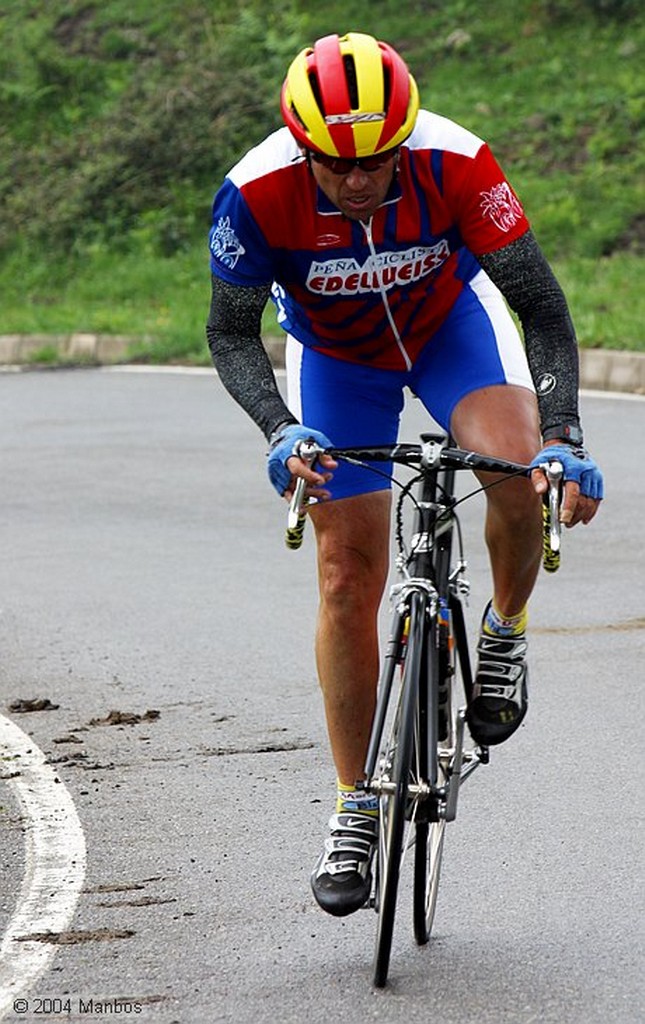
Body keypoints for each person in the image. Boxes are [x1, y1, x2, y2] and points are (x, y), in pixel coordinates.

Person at [206, 32, 603, 918]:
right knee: (347, 574)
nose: (358, 182)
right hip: (337, 363)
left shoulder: (457, 162)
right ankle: (354, 803)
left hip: (448, 331)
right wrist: (278, 430)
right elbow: (229, 332)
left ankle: (503, 629)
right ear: (301, 148)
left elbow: (539, 306)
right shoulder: (254, 194)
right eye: (335, 166)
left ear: (406, 135)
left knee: (514, 471)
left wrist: (563, 433)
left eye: (377, 162)